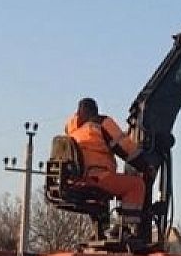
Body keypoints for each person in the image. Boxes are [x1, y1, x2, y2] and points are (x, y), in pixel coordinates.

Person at [64, 97, 152, 230]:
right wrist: (146, 166)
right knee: (136, 184)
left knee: (105, 192)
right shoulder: (102, 123)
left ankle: (101, 229)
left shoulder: (73, 130)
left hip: (79, 179)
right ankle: (127, 229)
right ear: (95, 111)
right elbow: (125, 149)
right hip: (98, 177)